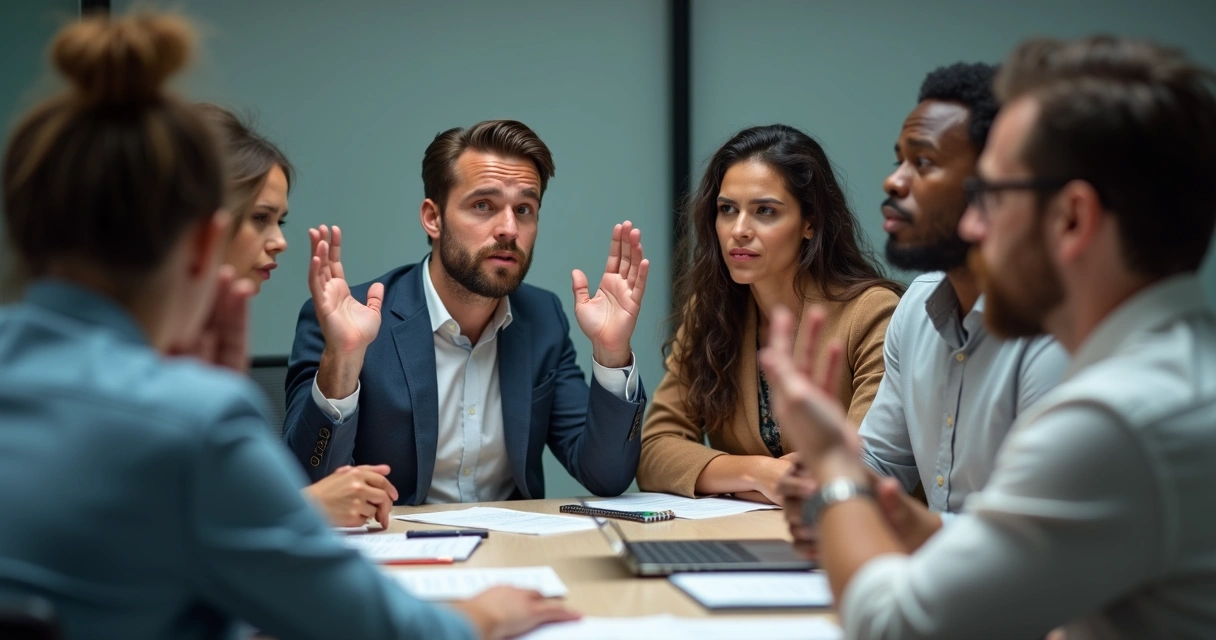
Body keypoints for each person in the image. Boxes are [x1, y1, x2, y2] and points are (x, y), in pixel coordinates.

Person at [0, 13, 575, 639]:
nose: (276, 243)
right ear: (203, 241)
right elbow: (362, 623)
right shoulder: (192, 420)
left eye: (525, 210)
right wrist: (483, 616)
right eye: (260, 220)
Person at [769, 35, 1216, 638]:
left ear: (1073, 218)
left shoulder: (1117, 418)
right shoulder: (1169, 376)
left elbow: (893, 628)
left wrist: (831, 465)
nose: (975, 226)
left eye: (993, 196)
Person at [284, 119, 650, 504]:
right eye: (483, 205)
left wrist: (612, 354)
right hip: (396, 549)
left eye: (524, 208)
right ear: (433, 217)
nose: (508, 228)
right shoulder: (351, 321)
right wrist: (342, 362)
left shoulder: (543, 318)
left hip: (512, 552)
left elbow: (606, 476)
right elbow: (308, 489)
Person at [637, 124, 902, 504]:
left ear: (809, 222)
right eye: (727, 209)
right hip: (745, 543)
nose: (739, 230)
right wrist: (759, 473)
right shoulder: (710, 311)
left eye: (765, 211)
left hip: (859, 542)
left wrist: (726, 479)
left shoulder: (872, 314)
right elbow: (655, 451)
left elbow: (860, 466)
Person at [861, 63, 1067, 515]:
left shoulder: (1055, 333)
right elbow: (879, 461)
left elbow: (1025, 541)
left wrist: (846, 497)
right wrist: (824, 477)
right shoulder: (917, 305)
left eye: (924, 162)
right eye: (900, 160)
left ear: (994, 184)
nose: (894, 181)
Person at [200, 103, 400, 528]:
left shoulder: (207, 344)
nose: (279, 243)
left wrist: (345, 354)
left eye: (280, 222)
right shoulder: (127, 352)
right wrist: (305, 507)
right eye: (260, 218)